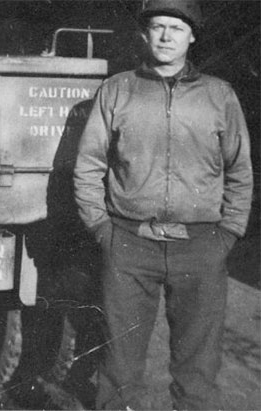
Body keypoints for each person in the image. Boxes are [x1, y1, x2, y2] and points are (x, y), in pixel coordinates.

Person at [72, 0, 253, 409]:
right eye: (158, 27)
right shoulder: (118, 90)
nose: (167, 36)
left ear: (192, 36)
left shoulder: (219, 95)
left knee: (198, 369)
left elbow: (240, 170)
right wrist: (102, 228)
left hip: (201, 246)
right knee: (119, 365)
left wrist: (229, 232)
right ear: (145, 34)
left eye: (176, 27)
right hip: (130, 243)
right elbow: (89, 165)